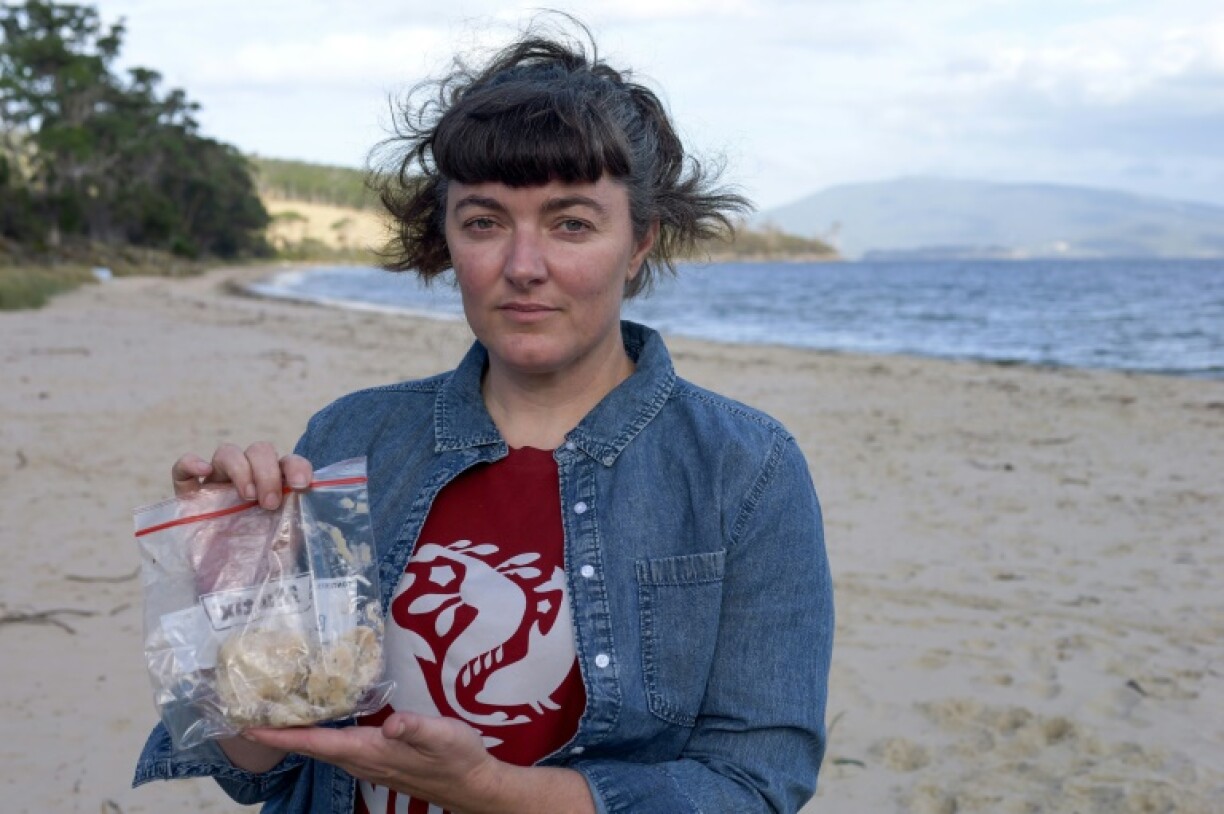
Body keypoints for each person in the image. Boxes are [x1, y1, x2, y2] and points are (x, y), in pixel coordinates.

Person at [133, 17, 834, 814]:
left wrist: (494, 792)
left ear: (641, 241)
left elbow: (756, 784)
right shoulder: (352, 436)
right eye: (484, 222)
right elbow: (257, 763)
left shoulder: (745, 469)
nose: (523, 267)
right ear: (448, 239)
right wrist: (233, 584)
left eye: (571, 223)